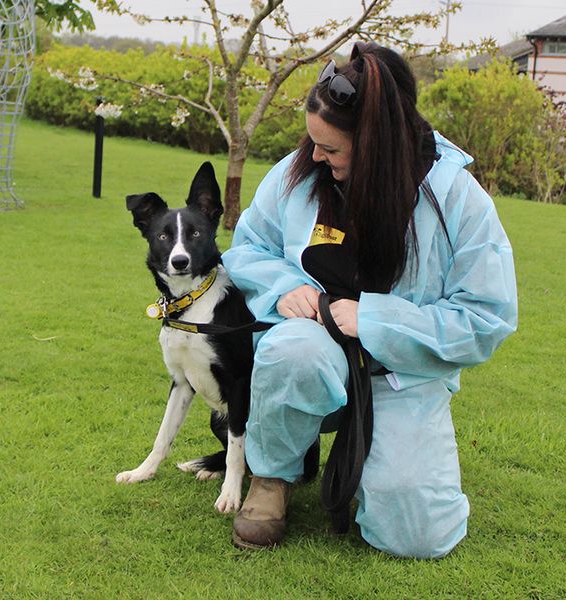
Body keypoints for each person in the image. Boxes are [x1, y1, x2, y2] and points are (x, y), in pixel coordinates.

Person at [221, 41, 517, 559]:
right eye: (313, 143)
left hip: (403, 373)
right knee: (293, 351)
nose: (314, 157)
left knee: (419, 537)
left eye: (331, 149)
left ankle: (384, 467)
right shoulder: (300, 171)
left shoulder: (458, 198)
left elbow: (485, 318)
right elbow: (249, 246)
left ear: (377, 145)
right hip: (315, 349)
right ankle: (271, 476)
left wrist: (374, 319)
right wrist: (282, 286)